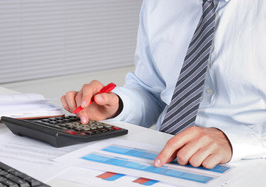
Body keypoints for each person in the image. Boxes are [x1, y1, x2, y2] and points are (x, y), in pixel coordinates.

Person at [61, 0, 266, 169]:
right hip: (159, 159)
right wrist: (116, 105)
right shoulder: (158, 4)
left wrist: (233, 141)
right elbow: (151, 90)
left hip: (251, 166)